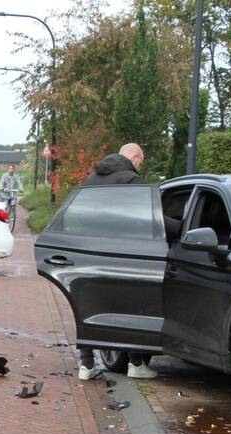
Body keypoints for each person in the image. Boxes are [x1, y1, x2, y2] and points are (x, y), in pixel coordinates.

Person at [77, 143, 157, 381]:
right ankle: (135, 363)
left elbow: (79, 213)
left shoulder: (91, 179)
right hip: (122, 253)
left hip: (89, 252)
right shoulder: (131, 180)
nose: (140, 165)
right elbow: (144, 217)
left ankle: (86, 365)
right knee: (130, 306)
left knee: (89, 306)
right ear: (134, 157)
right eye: (140, 161)